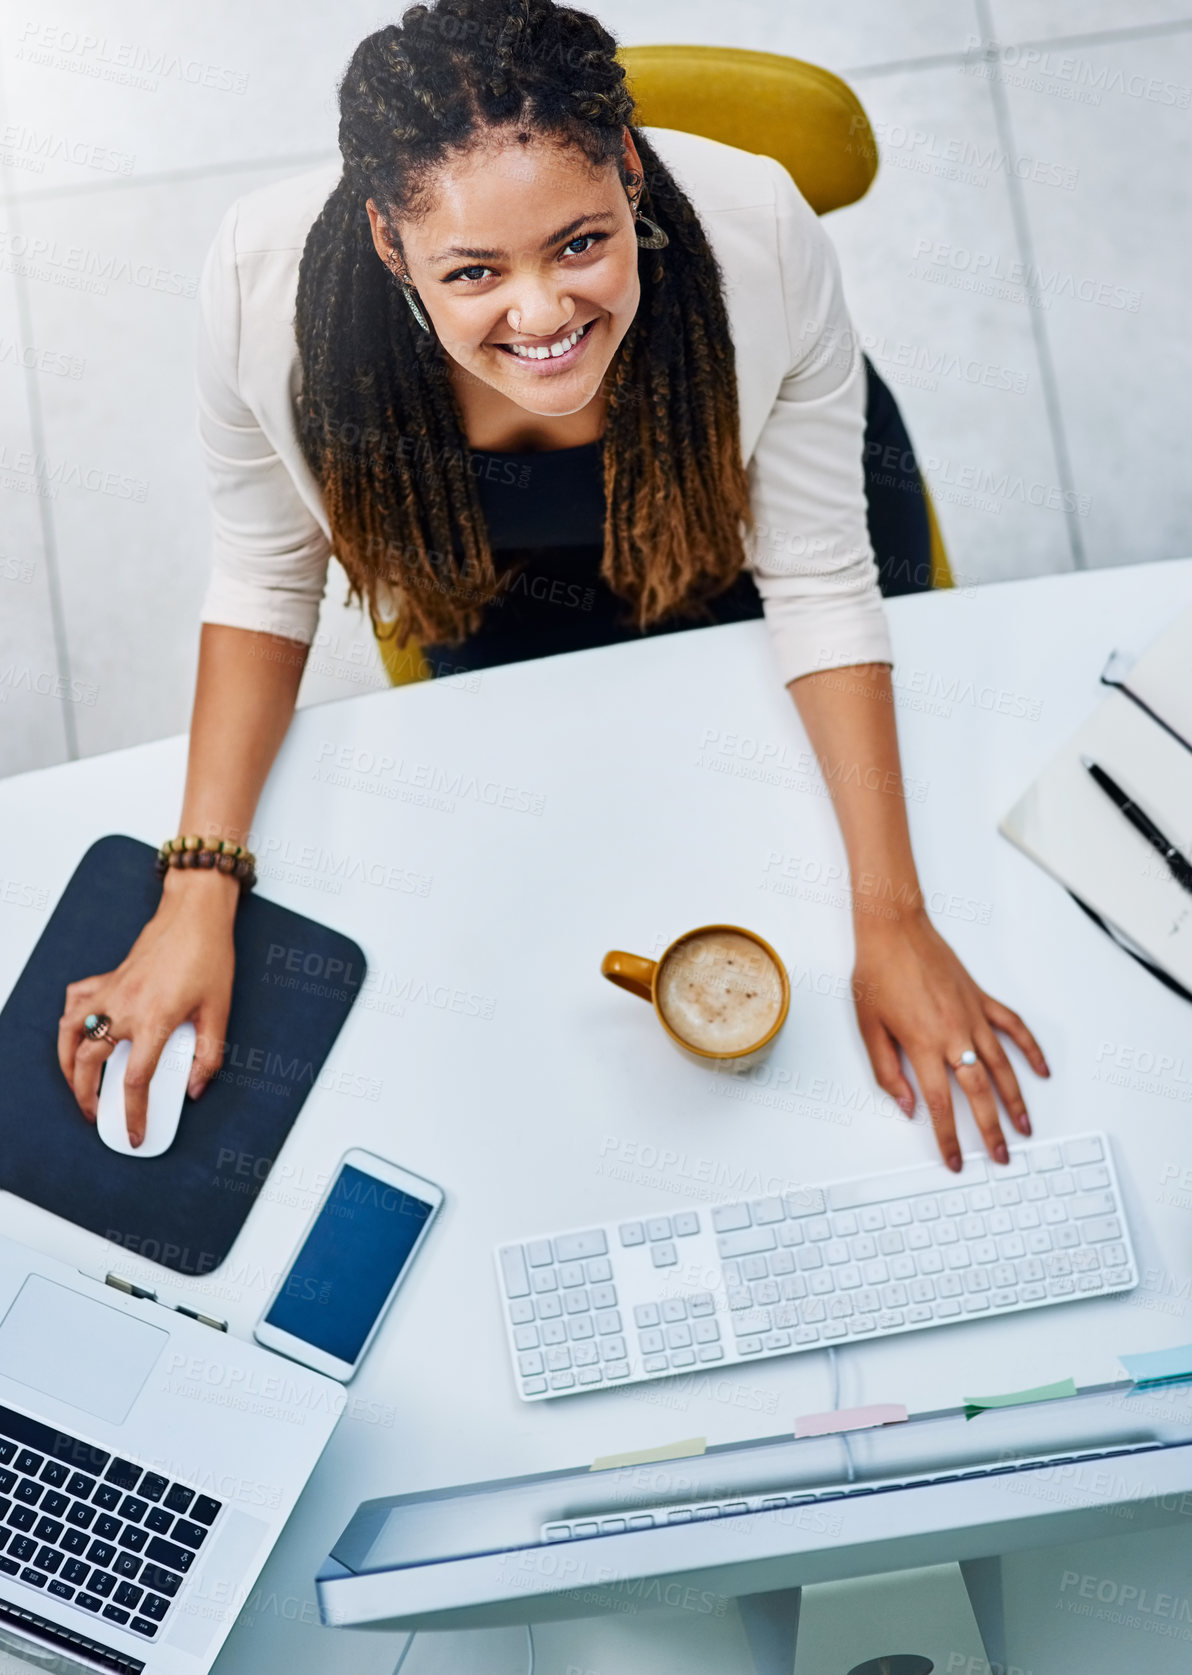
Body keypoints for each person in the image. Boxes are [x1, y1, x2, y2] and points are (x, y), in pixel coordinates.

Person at [57, 0, 1048, 1166]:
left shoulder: (760, 236)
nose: (542, 318)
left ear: (629, 170)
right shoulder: (261, 293)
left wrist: (894, 921)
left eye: (580, 243)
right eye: (473, 270)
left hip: (742, 524)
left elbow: (821, 575)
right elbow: (268, 577)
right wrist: (196, 889)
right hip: (495, 582)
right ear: (389, 242)